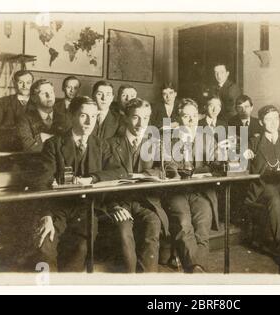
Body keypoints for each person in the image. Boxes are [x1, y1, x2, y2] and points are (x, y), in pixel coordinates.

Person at [32, 96, 112, 272]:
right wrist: (46, 215)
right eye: (84, 115)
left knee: (81, 247)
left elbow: (118, 171)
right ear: (71, 116)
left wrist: (91, 179)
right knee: (45, 245)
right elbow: (41, 182)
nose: (90, 122)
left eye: (94, 116)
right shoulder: (53, 144)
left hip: (86, 209)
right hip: (56, 208)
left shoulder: (100, 145)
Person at [93, 98, 168, 273]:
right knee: (124, 229)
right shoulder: (109, 144)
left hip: (146, 202)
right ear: (126, 118)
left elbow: (166, 170)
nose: (141, 123)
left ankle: (147, 281)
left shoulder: (156, 143)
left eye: (146, 118)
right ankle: (131, 279)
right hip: (118, 202)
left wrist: (144, 175)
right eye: (135, 117)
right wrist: (113, 206)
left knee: (153, 223)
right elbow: (101, 178)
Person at [164, 98, 219, 273]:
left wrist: (222, 156)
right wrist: (179, 172)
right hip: (177, 190)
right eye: (186, 116)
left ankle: (197, 266)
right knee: (183, 222)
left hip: (200, 191)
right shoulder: (169, 138)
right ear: (178, 118)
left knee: (203, 223)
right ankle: (195, 266)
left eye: (194, 116)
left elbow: (215, 164)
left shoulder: (207, 138)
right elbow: (167, 164)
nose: (191, 120)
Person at [243, 105, 280, 257]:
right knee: (275, 198)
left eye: (275, 118)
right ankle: (278, 243)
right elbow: (242, 163)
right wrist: (244, 155)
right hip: (262, 186)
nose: (273, 122)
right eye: (268, 119)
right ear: (262, 123)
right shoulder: (254, 142)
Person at [17, 79, 66, 152]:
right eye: (43, 93)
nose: (49, 96)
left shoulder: (65, 118)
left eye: (51, 92)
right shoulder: (24, 119)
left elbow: (70, 147)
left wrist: (43, 137)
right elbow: (29, 148)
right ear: (34, 98)